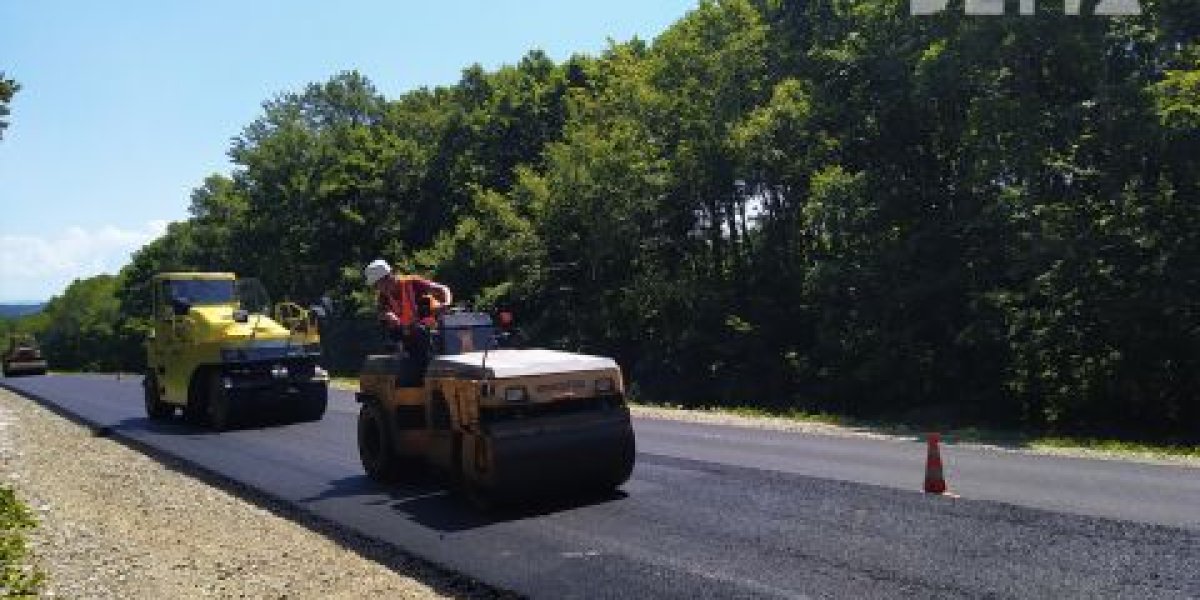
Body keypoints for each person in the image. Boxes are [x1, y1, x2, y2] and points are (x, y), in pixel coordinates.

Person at [363, 259, 452, 378]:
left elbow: (442, 289)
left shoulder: (412, 283)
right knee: (394, 334)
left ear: (387, 277)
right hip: (409, 333)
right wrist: (387, 316)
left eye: (377, 284)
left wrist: (446, 303)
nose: (378, 288)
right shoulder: (383, 296)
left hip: (429, 331)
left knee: (419, 334)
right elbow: (381, 312)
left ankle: (423, 371)